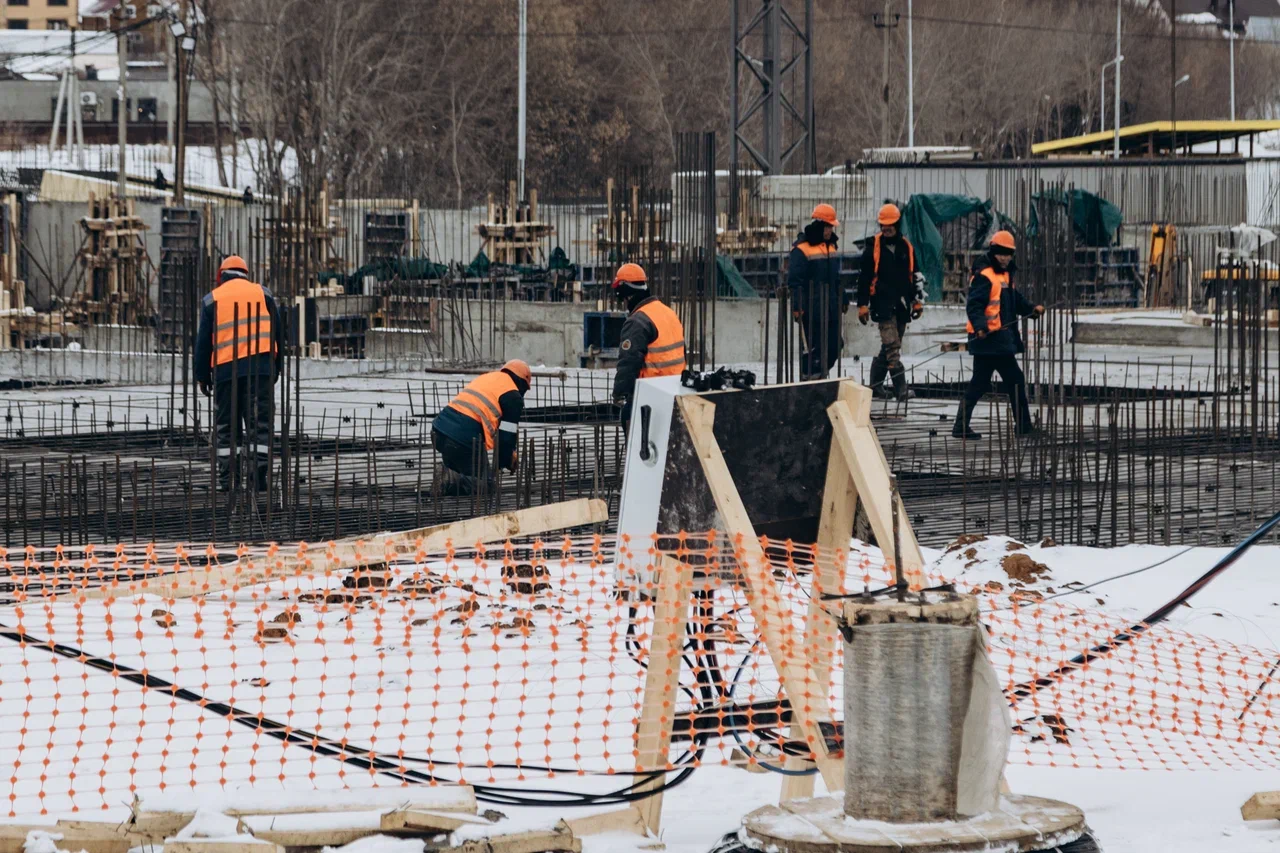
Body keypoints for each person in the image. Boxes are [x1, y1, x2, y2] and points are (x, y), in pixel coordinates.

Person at [194, 255, 283, 491]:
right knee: (259, 426)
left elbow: (203, 343)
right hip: (260, 370)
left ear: (221, 276)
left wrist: (203, 376)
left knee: (227, 428)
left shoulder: (211, 299)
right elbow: (278, 334)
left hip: (226, 372)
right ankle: (258, 479)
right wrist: (276, 369)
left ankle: (227, 481)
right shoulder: (264, 294)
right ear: (246, 273)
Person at [953, 230, 1045, 440]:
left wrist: (1031, 309)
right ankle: (1023, 427)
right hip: (988, 340)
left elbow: (1015, 300)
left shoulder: (1005, 275)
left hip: (999, 341)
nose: (1004, 258)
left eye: (1008, 254)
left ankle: (961, 427)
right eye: (1001, 253)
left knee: (984, 383)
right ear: (993, 252)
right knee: (1012, 380)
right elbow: (974, 306)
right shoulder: (984, 275)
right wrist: (980, 327)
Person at [857, 203, 927, 401]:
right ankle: (901, 390)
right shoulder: (873, 248)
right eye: (883, 226)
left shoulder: (906, 247)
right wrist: (863, 304)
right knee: (892, 347)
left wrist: (916, 301)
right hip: (882, 305)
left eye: (889, 226)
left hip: (902, 304)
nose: (886, 229)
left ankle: (875, 386)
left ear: (897, 225)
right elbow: (863, 279)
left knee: (889, 348)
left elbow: (914, 275)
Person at [432, 359, 532, 496]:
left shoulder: (489, 378)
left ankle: (448, 475)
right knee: (486, 487)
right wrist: (505, 460)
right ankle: (449, 479)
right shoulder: (513, 396)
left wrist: (509, 453)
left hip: (439, 431)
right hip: (463, 439)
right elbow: (506, 437)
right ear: (522, 383)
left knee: (464, 479)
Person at [611, 263, 686, 427]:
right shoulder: (668, 312)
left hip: (651, 393)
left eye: (622, 298)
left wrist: (619, 394)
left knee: (629, 421)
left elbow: (628, 363)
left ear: (628, 295)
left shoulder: (638, 321)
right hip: (677, 390)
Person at [788, 203, 846, 380]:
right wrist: (797, 307)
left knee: (836, 344)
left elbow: (836, 278)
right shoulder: (802, 249)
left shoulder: (831, 247)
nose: (830, 230)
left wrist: (842, 299)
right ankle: (810, 377)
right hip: (812, 309)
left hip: (831, 307)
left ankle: (818, 373)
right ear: (819, 224)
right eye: (828, 226)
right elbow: (795, 281)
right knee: (815, 348)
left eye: (831, 227)